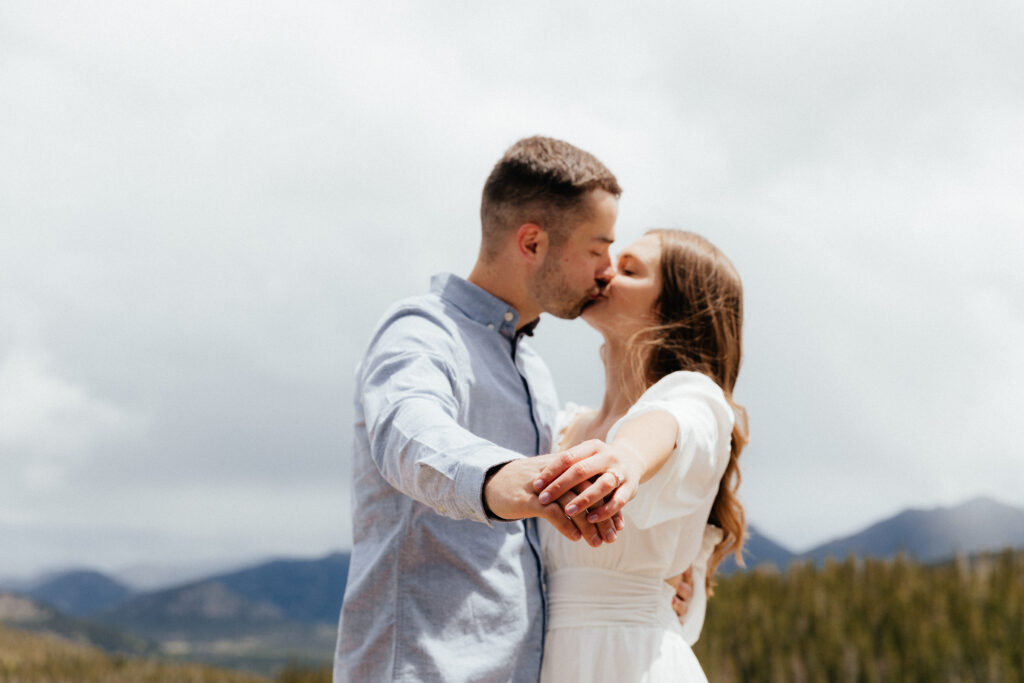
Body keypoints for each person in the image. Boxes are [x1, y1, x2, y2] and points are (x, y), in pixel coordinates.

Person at [336, 136, 642, 682]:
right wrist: (508, 476)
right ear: (532, 242)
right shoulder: (422, 331)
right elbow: (409, 432)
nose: (605, 271)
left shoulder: (535, 372)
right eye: (597, 249)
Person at [531, 229, 749, 682]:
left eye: (629, 270)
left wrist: (626, 460)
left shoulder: (697, 401)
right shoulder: (559, 427)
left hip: (635, 663)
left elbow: (668, 425)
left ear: (674, 311)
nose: (605, 271)